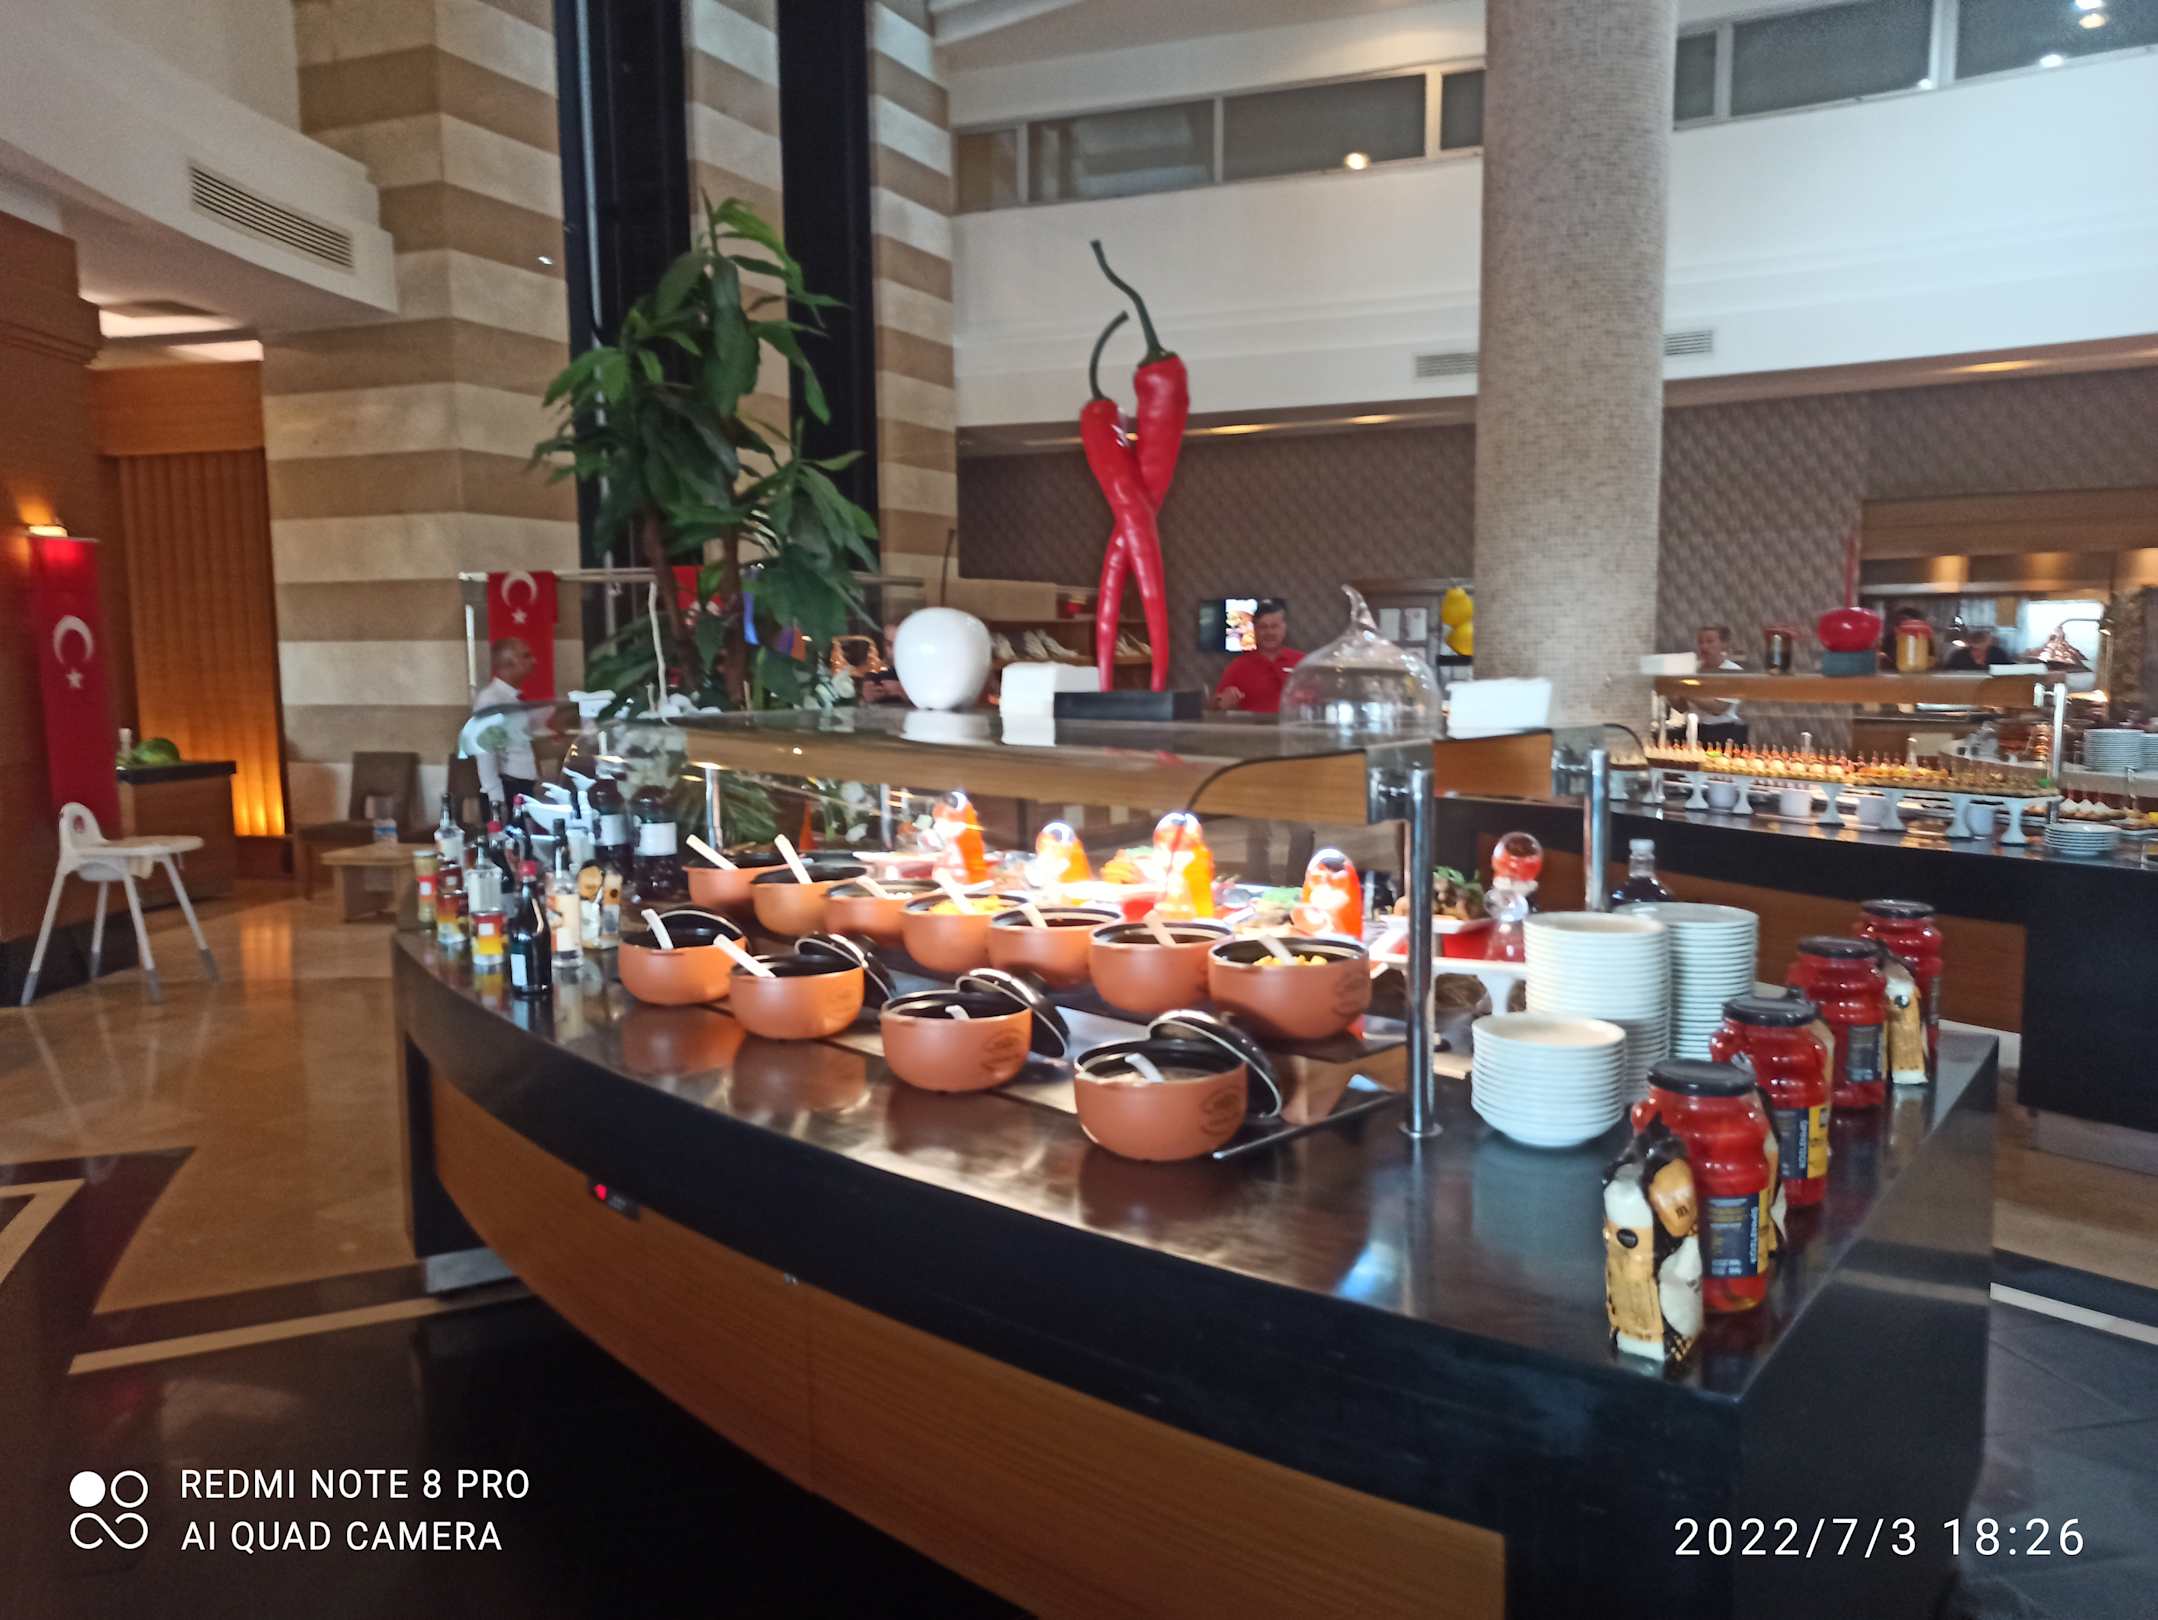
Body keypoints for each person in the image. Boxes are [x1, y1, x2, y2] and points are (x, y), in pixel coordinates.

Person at [466, 638, 540, 806]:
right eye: (526, 656)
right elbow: (485, 751)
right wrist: (496, 800)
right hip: (506, 788)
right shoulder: (491, 700)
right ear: (508, 663)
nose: (533, 661)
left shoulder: (513, 697)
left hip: (522, 786)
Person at [1211, 598, 1303, 714]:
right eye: (1263, 627)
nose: (1269, 632)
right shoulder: (1238, 666)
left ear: (1284, 628)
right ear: (1254, 630)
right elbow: (1214, 706)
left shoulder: (1302, 662)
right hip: (1253, 726)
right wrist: (1221, 703)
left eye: (1274, 626)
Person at [1674, 624, 1748, 749]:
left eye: (1709, 641)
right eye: (1700, 642)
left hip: (1723, 733)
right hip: (1693, 731)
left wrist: (1686, 691)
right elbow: (1681, 708)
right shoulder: (1692, 669)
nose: (1704, 646)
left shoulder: (1733, 671)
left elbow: (1718, 708)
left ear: (1723, 644)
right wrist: (1669, 689)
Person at [1943, 627, 2013, 670]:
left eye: (1982, 649)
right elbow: (1948, 673)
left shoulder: (1998, 654)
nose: (1977, 652)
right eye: (1974, 649)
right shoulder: (1959, 656)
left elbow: (2009, 670)